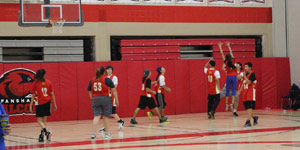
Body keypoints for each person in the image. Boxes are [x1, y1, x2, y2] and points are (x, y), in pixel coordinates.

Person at [88, 66, 118, 139]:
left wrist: (92, 98)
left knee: (96, 116)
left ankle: (93, 134)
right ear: (104, 72)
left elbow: (89, 91)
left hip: (95, 98)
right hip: (105, 98)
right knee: (105, 116)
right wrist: (116, 99)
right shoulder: (107, 79)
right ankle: (107, 134)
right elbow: (114, 90)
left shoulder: (92, 80)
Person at [30, 69, 57, 142]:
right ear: (43, 75)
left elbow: (33, 95)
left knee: (39, 120)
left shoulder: (35, 83)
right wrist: (54, 103)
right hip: (47, 102)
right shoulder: (49, 82)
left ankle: (46, 133)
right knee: (44, 121)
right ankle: (41, 135)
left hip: (39, 103)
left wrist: (31, 104)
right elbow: (52, 94)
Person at [99, 65, 124, 132]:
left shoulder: (114, 77)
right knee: (104, 112)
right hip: (106, 96)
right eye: (108, 69)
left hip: (112, 96)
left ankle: (120, 121)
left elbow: (114, 87)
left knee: (112, 112)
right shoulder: (105, 77)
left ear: (112, 70)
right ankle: (104, 127)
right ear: (106, 70)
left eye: (110, 69)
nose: (109, 70)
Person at [219, 42, 238, 111]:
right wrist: (229, 46)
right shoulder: (233, 61)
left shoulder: (225, 62)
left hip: (228, 77)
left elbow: (222, 54)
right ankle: (232, 103)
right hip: (234, 77)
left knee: (227, 91)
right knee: (233, 91)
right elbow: (231, 52)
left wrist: (220, 47)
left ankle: (226, 103)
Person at [240, 62, 258, 127]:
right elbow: (243, 84)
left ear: (250, 67)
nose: (245, 68)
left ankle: (248, 121)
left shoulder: (252, 74)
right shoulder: (245, 74)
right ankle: (254, 118)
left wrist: (244, 76)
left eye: (246, 67)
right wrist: (239, 91)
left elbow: (249, 82)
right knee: (248, 109)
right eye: (244, 67)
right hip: (245, 93)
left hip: (250, 93)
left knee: (249, 107)